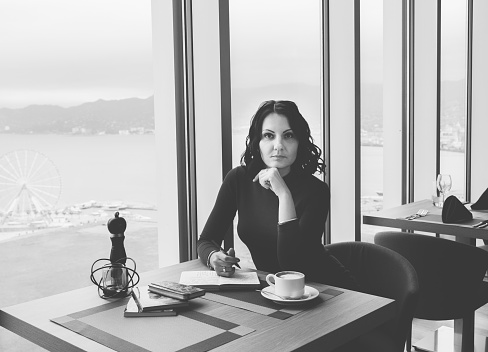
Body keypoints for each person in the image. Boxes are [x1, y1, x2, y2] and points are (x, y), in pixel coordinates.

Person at [197, 100, 358, 289]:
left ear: (299, 142)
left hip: (327, 290)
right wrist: (214, 257)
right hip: (274, 290)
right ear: (257, 142)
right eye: (268, 136)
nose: (278, 145)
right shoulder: (239, 179)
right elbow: (206, 240)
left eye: (288, 135)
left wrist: (283, 194)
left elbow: (292, 266)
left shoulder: (317, 191)